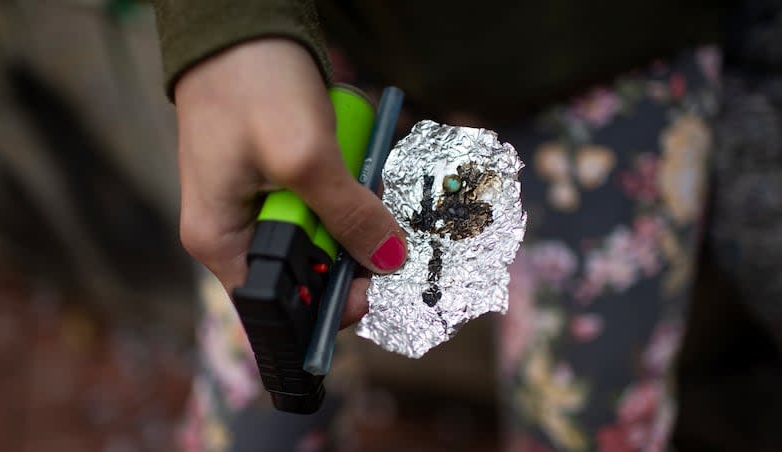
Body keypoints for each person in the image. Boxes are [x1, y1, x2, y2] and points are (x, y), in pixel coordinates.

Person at [149, 1, 782, 451]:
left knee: (589, 416)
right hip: (317, 41)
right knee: (254, 409)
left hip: (618, 45)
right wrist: (222, 23)